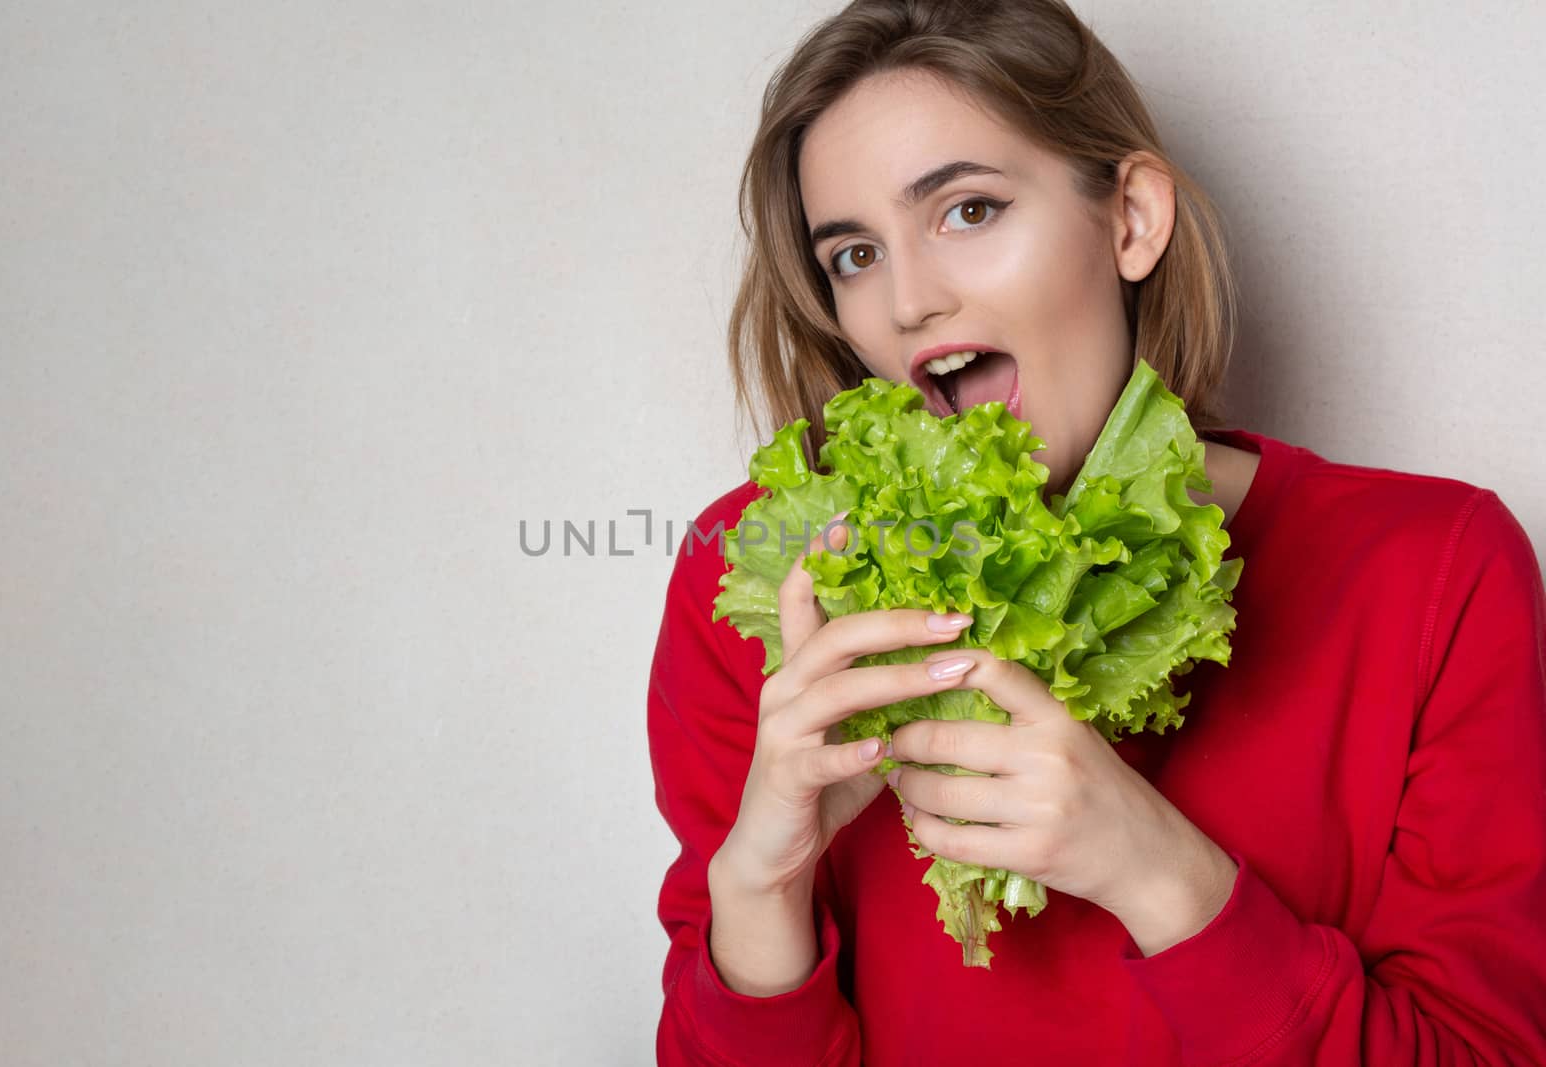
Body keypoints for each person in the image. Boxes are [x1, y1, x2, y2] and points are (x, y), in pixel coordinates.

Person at [645, 1, 1546, 1063]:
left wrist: (1156, 871)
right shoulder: (764, 578)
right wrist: (759, 882)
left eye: (967, 211)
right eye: (852, 255)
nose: (908, 301)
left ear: (1130, 220)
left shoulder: (1433, 568)